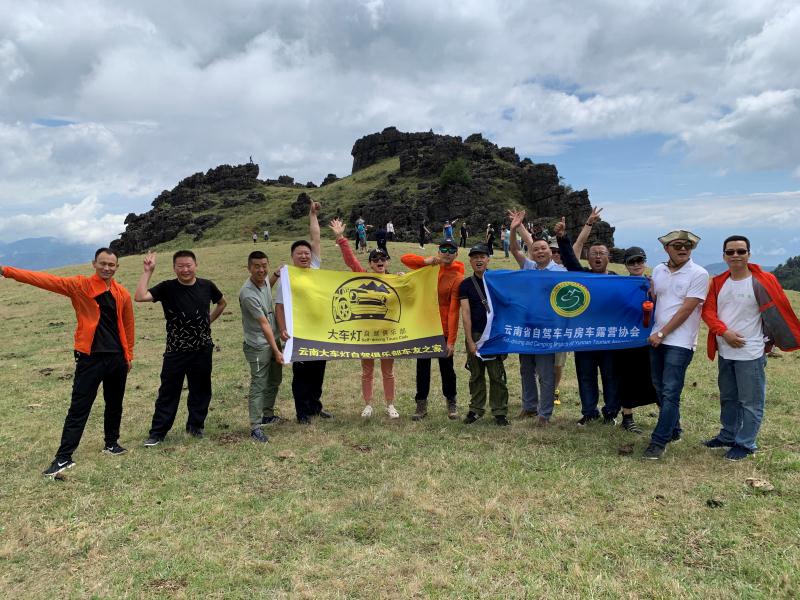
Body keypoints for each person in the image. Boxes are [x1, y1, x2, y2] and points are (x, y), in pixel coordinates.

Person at [1, 249, 134, 477]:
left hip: (116, 359)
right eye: (103, 263)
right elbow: (45, 280)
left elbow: (128, 325)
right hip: (90, 358)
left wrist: (128, 355)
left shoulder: (122, 293)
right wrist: (6, 271)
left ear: (117, 267)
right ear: (94, 264)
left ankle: (111, 443)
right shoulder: (79, 286)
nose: (107, 268)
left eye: (111, 265)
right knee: (79, 408)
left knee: (115, 403)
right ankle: (64, 457)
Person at [701, 235, 800, 460]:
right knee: (728, 397)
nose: (735, 255)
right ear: (724, 256)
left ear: (749, 254)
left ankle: (745, 443)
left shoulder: (763, 280)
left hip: (751, 351)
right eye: (730, 252)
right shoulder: (718, 282)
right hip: (725, 350)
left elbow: (778, 312)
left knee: (751, 401)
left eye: (740, 251)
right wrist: (724, 332)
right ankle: (727, 435)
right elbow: (708, 311)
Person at [136, 250, 227, 446]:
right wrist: (147, 271)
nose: (185, 269)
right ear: (174, 268)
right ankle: (157, 433)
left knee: (201, 390)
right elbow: (140, 296)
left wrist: (208, 321)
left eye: (189, 265)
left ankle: (195, 427)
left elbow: (221, 303)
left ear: (196, 265)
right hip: (176, 350)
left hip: (202, 348)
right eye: (180, 266)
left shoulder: (207, 286)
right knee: (168, 390)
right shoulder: (167, 287)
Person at [643, 230, 709, 460]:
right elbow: (655, 298)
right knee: (659, 387)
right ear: (666, 248)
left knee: (671, 392)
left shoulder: (699, 273)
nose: (683, 249)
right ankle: (675, 429)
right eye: (678, 245)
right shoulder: (659, 270)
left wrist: (662, 332)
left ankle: (658, 441)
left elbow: (687, 309)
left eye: (688, 246)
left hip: (679, 342)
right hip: (656, 337)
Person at [507, 209, 572, 425]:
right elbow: (515, 249)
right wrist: (514, 229)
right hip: (527, 328)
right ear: (532, 253)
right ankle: (529, 406)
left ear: (549, 251)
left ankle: (545, 413)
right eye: (536, 249)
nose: (540, 251)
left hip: (548, 329)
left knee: (545, 373)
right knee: (526, 369)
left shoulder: (561, 271)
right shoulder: (529, 266)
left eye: (543, 248)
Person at [330, 218, 400, 419]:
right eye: (375, 259)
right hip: (367, 334)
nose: (379, 262)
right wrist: (341, 237)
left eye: (383, 259)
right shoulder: (362, 276)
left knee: (388, 372)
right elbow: (351, 260)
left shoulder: (396, 280)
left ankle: (390, 404)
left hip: (388, 335)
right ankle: (368, 404)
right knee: (367, 371)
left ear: (387, 262)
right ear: (370, 263)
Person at [275, 200, 333, 424]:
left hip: (319, 331)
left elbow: (315, 238)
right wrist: (283, 329)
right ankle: (302, 412)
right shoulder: (286, 279)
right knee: (301, 374)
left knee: (318, 371)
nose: (304, 256)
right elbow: (279, 306)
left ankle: (316, 406)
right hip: (298, 332)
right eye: (299, 253)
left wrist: (312, 215)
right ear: (292, 257)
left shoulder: (316, 268)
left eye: (306, 253)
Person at [401, 238, 465, 420]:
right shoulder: (428, 269)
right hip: (424, 328)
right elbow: (405, 259)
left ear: (456, 254)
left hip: (443, 331)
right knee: (422, 368)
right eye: (443, 249)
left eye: (451, 250)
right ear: (438, 251)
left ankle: (451, 403)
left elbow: (454, 311)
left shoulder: (458, 277)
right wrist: (425, 261)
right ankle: (421, 405)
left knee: (447, 368)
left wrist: (451, 340)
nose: (446, 252)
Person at [460, 244, 510, 426]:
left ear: (488, 259)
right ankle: (475, 409)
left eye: (482, 256)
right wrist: (469, 340)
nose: (478, 260)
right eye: (474, 257)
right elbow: (465, 314)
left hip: (495, 335)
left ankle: (500, 411)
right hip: (475, 334)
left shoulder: (498, 280)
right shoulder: (465, 285)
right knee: (476, 374)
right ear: (470, 261)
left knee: (497, 374)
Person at [239, 251, 285, 443]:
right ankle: (255, 426)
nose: (261, 269)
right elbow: (265, 324)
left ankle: (267, 414)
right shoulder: (248, 294)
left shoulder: (265, 279)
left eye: (264, 265)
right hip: (258, 345)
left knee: (274, 379)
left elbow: (268, 284)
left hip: (273, 339)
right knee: (259, 384)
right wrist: (276, 351)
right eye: (256, 266)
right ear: (249, 267)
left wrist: (276, 273)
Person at [614, 247, 659, 433]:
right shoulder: (619, 284)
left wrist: (654, 291)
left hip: (651, 338)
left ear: (645, 261)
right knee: (626, 377)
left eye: (639, 260)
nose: (636, 265)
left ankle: (666, 417)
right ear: (625, 265)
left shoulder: (654, 283)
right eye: (631, 262)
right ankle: (627, 417)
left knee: (655, 377)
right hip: (626, 337)